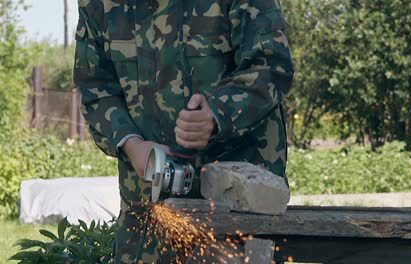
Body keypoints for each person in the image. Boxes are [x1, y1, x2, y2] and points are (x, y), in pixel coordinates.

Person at [74, 0, 294, 262]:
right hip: (148, 213)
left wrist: (216, 113)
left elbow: (271, 64)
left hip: (238, 206)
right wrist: (132, 146)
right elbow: (95, 88)